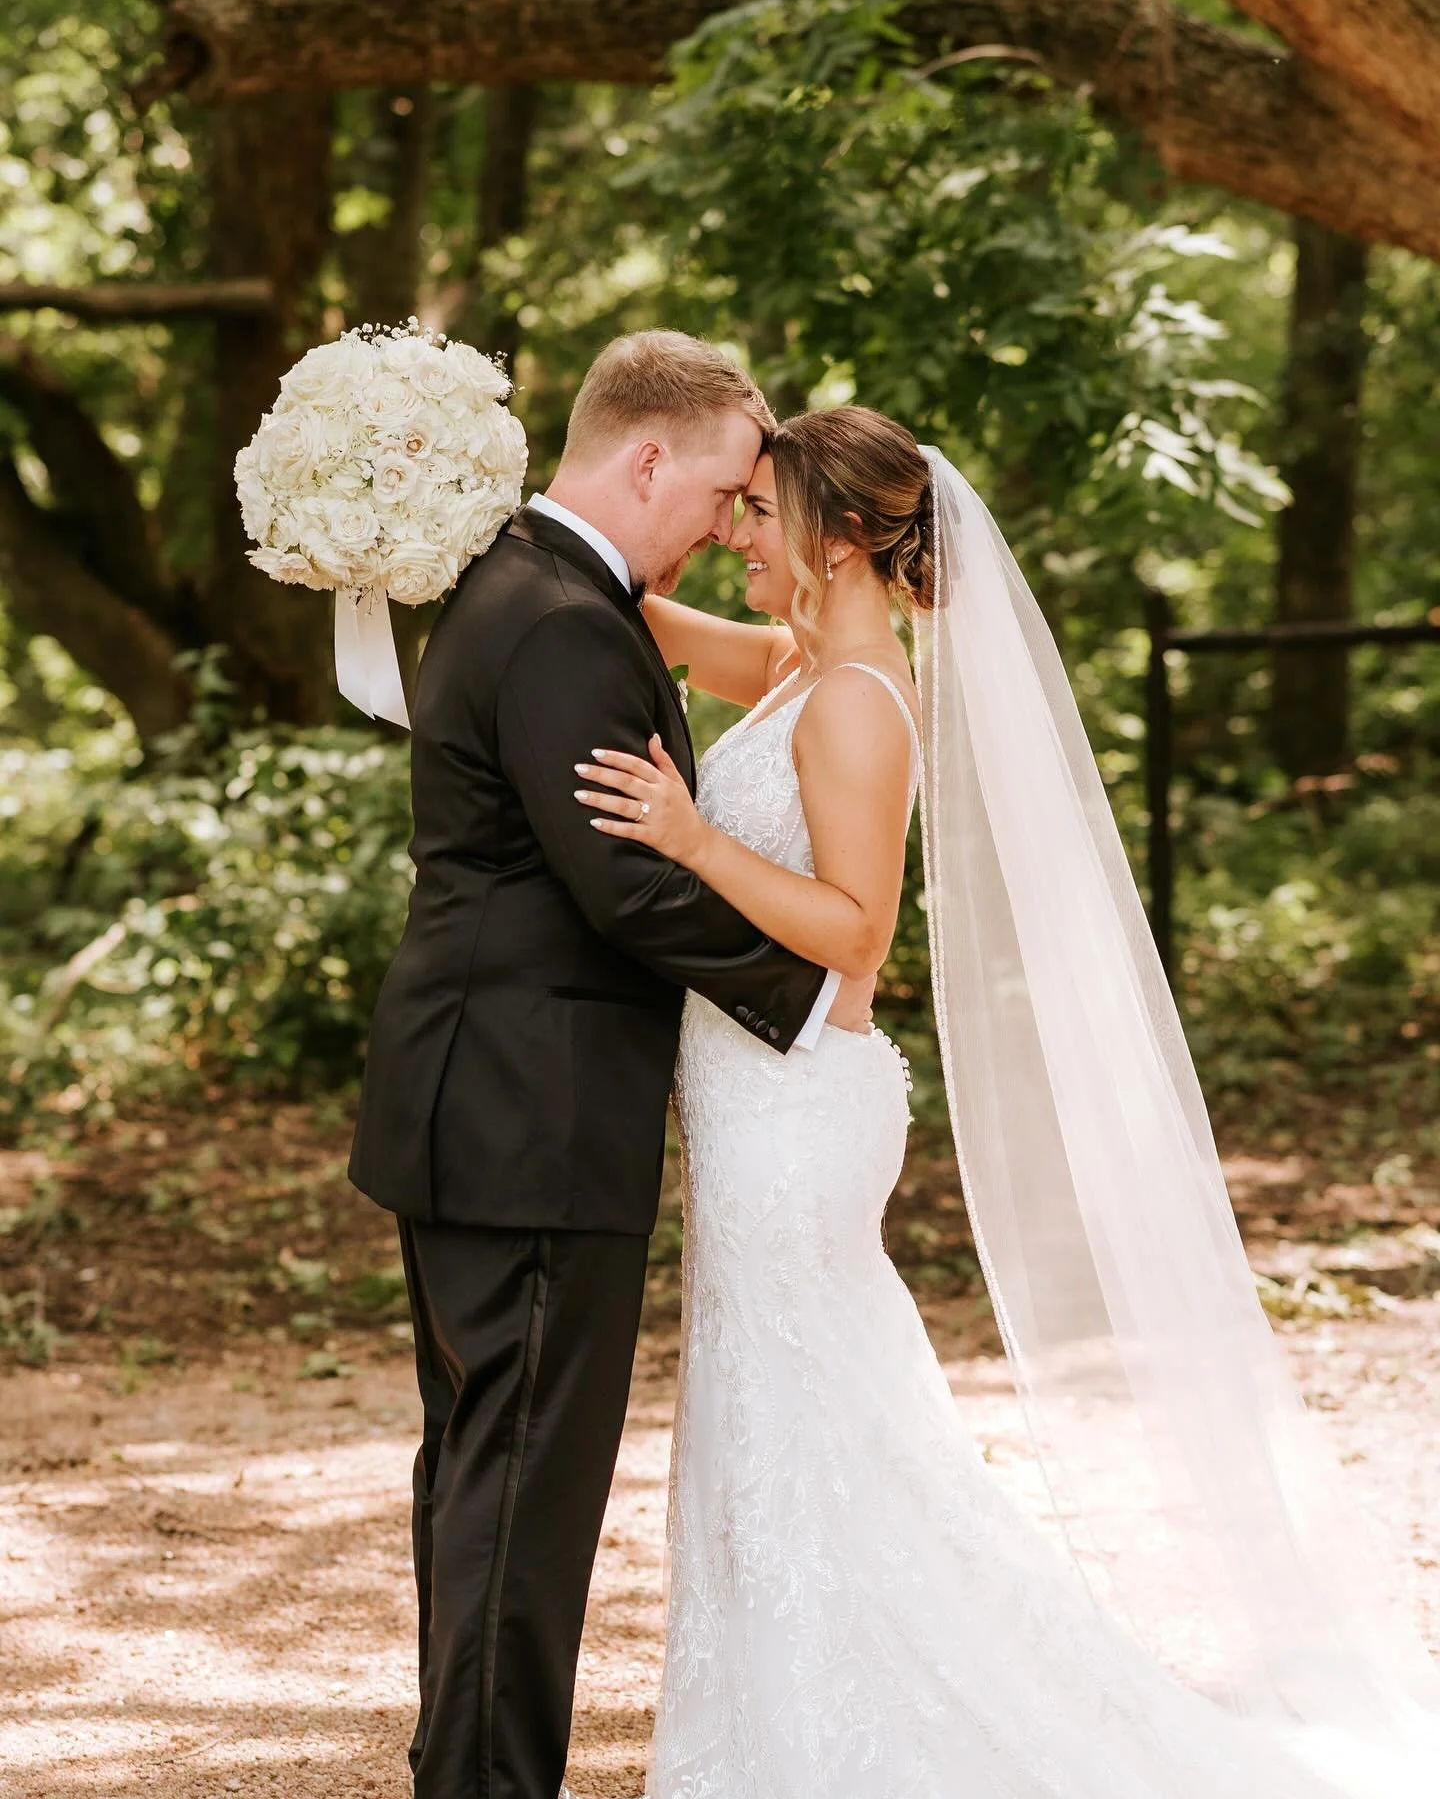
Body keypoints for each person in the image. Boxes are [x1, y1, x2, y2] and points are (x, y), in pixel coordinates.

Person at [573, 406, 1440, 1798]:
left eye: (764, 509)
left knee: (808, 1410)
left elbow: (854, 932)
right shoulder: (814, 661)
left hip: (796, 1108)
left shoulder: (859, 700)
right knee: (782, 1407)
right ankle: (779, 1719)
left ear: (842, 539)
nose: (740, 528)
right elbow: (658, 625)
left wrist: (685, 839)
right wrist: (507, 533)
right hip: (759, 1100)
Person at [347, 332, 874, 1799]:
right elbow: (626, 888)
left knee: (476, 1470)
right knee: (520, 1488)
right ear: (647, 458)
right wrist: (815, 987)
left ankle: (461, 1765)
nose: (729, 520)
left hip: (482, 1100)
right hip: (531, 1118)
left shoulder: (539, 582)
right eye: (719, 490)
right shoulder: (568, 620)